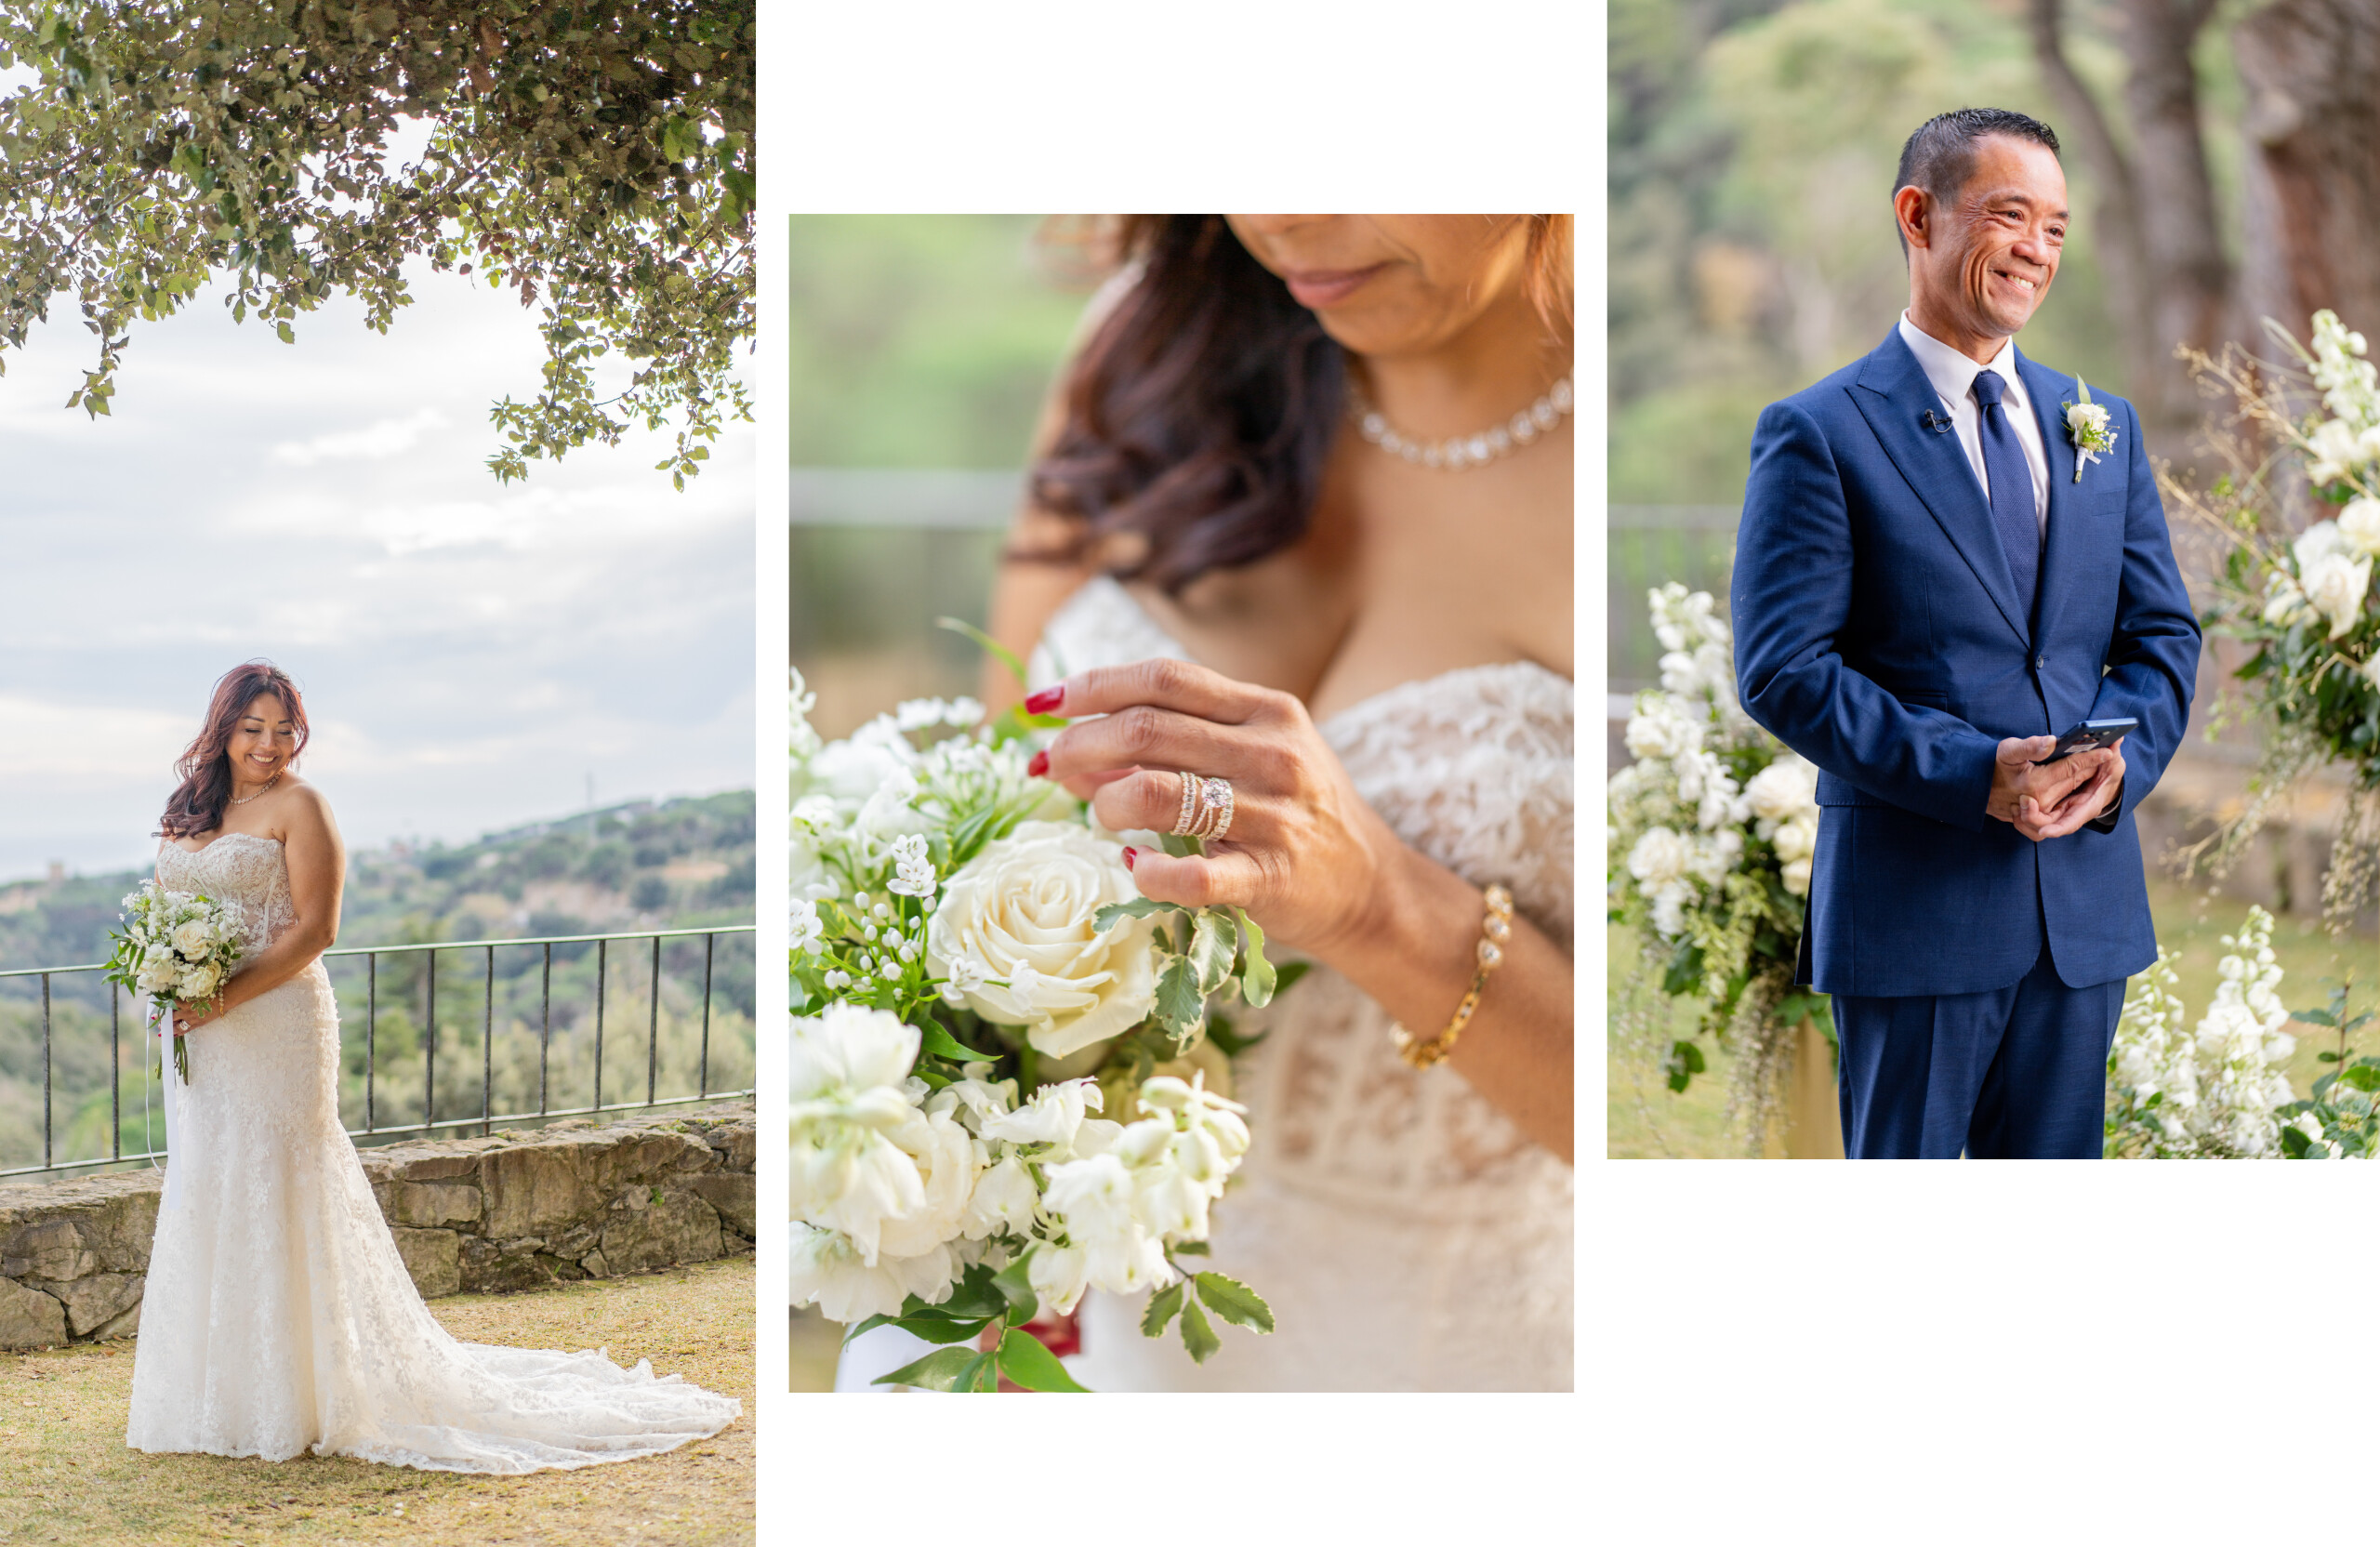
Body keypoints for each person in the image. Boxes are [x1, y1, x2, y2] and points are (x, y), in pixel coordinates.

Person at [881, 214, 1573, 1390]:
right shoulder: (1152, 336)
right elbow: (992, 779)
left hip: (1440, 1356)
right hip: (1056, 1335)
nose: (1281, 218)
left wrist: (1378, 906)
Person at [126, 661, 738, 1470]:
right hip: (204, 1032)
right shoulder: (190, 812)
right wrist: (165, 976)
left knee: (280, 1175)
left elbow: (314, 931)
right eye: (252, 730)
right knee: (213, 1178)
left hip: (273, 1020)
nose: (269, 745)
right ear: (222, 730)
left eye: (282, 730)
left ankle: (306, 1393)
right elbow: (168, 909)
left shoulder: (304, 806)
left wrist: (224, 995)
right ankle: (226, 1391)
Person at [1731, 110, 2202, 1159]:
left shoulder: (2102, 426)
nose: (2035, 248)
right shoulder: (1819, 430)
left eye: (2056, 227)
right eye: (2008, 216)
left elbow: (2163, 633)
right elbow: (1782, 668)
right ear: (1917, 216)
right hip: (1914, 913)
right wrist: (1973, 770)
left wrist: (2115, 773)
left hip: (2080, 916)